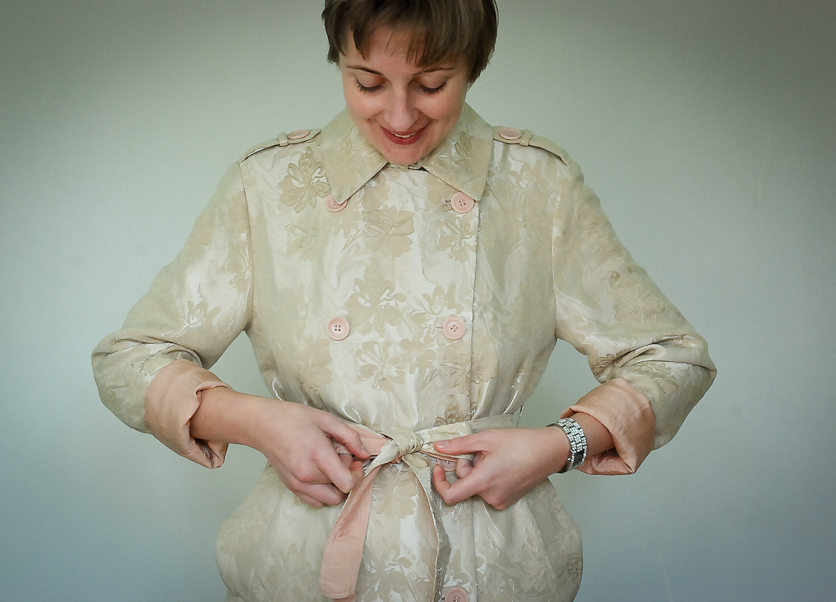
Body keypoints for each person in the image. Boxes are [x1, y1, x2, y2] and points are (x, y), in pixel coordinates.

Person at [92, 1, 716, 600]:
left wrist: (558, 445)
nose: (399, 114)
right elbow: (130, 361)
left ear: (474, 65)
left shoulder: (536, 185)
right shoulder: (270, 185)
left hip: (492, 564)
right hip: (304, 560)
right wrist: (260, 423)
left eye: (431, 84)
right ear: (339, 60)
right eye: (367, 83)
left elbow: (670, 357)